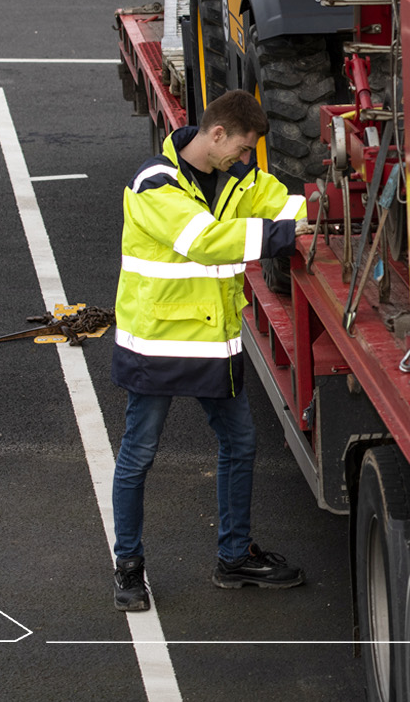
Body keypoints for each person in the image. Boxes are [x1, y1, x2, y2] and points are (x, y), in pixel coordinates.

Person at [108, 90, 310, 611]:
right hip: (157, 347)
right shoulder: (154, 183)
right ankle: (128, 569)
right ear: (217, 133)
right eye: (242, 149)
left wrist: (318, 213)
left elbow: (287, 204)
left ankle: (235, 557)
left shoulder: (239, 177)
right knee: (138, 456)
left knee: (240, 444)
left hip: (212, 344)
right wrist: (281, 236)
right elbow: (205, 240)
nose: (247, 161)